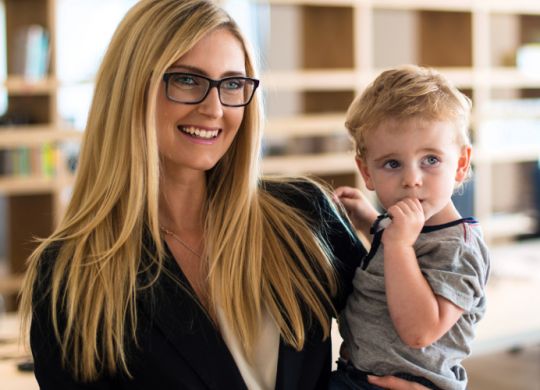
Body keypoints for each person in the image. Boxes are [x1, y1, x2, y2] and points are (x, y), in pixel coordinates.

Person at [19, 1, 426, 389]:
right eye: (187, 79)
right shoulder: (71, 274)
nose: (215, 108)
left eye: (232, 84)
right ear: (131, 89)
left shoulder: (303, 214)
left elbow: (407, 331)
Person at [332, 65, 491, 390]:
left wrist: (399, 245)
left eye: (430, 160)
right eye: (392, 164)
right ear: (367, 172)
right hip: (354, 374)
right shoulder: (400, 225)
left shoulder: (457, 247)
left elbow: (420, 330)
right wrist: (370, 224)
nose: (411, 179)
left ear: (461, 164)